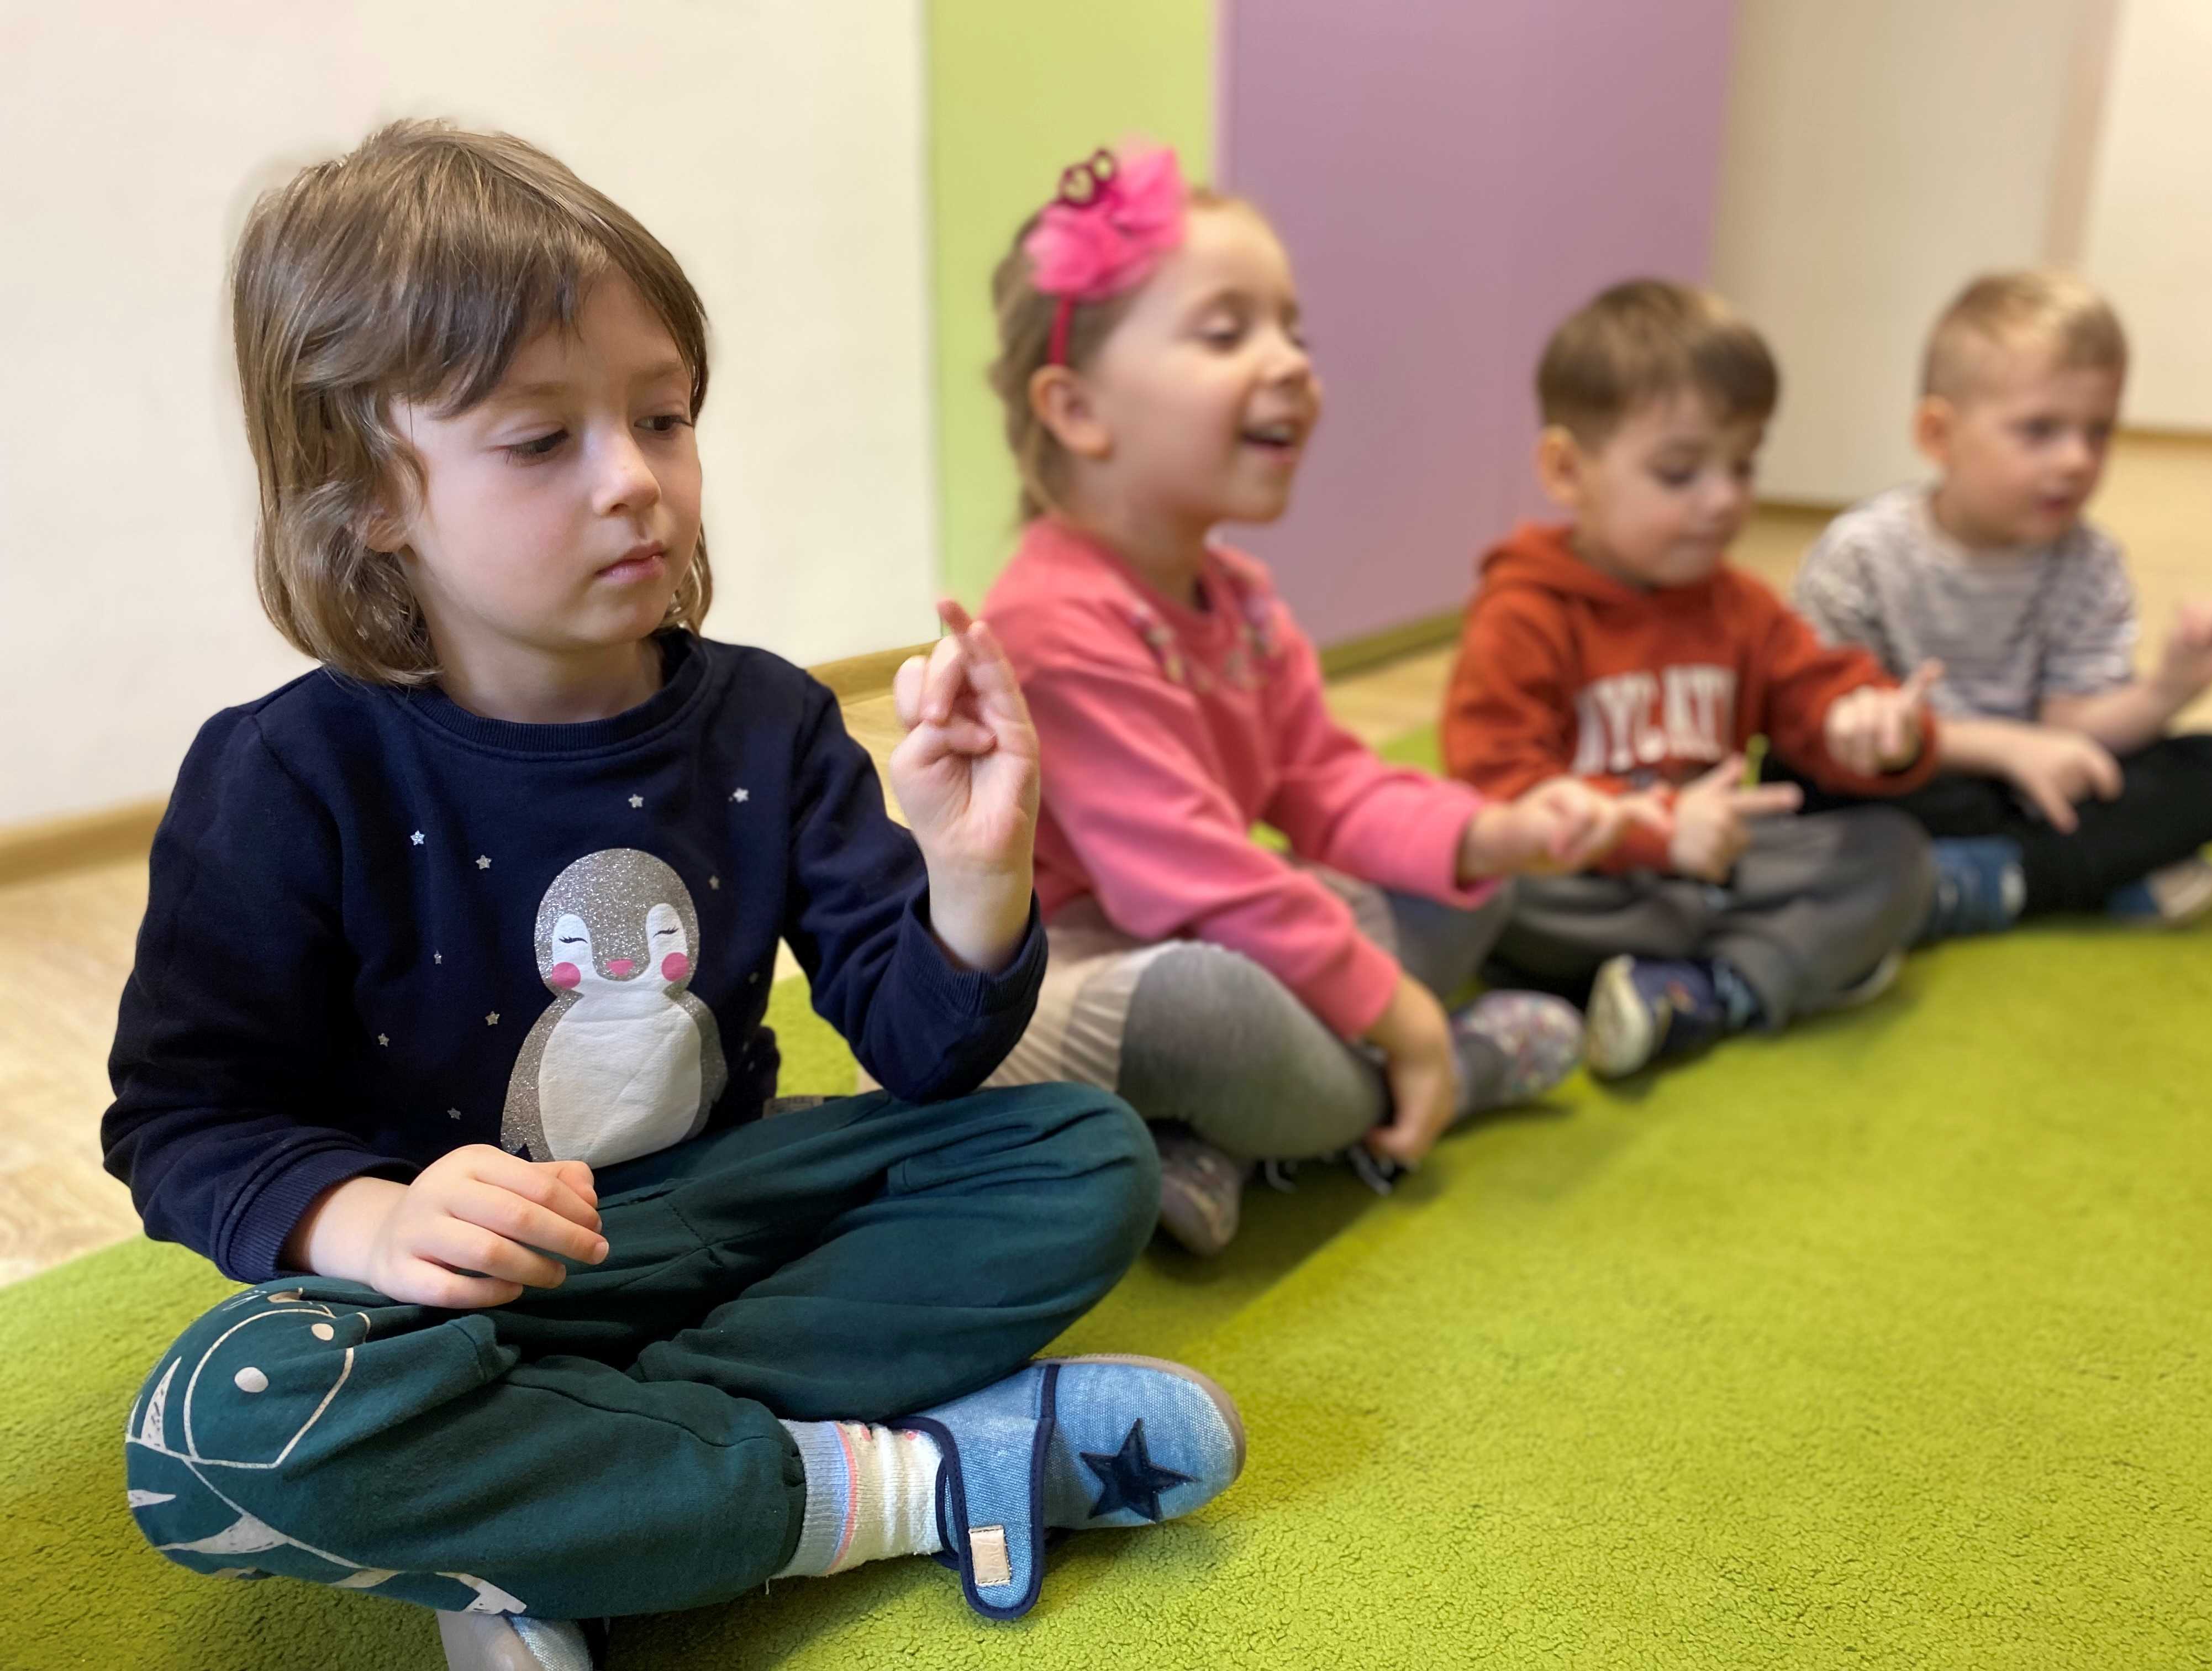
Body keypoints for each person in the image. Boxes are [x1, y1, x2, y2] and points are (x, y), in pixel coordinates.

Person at [102, 122, 1242, 1671]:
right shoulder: (286, 776)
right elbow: (183, 1119)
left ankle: (567, 1498)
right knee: (211, 1427)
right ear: (366, 493)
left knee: (1084, 1152)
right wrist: (369, 1220)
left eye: (664, 418)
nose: (634, 481)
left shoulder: (769, 723)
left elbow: (923, 1053)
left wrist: (976, 881)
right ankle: (890, 1482)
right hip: (471, 1305)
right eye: (540, 441)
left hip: (728, 1211)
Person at [976, 145, 1655, 1254]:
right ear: (1079, 409)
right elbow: (1192, 877)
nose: (1291, 363)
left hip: (1198, 926)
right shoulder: (1052, 624)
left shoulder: (1239, 596)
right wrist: (1408, 1018)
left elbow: (1327, 784)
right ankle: (1443, 1072)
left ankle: (1224, 1141)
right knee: (1213, 1009)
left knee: (1466, 887)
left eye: (1295, 332)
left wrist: (1490, 831)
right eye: (1226, 332)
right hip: (1082, 981)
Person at [1442, 280, 1939, 1080]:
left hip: (1710, 869)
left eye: (1743, 466)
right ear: (1567, 470)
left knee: (1895, 854)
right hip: (1582, 887)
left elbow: (1815, 691)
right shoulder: (1522, 613)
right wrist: (1655, 831)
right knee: (1479, 882)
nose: (1725, 500)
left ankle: (1701, 992)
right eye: (1680, 474)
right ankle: (1754, 963)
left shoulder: (1741, 605)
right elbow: (1496, 787)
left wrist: (1871, 725)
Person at [1790, 270, 2212, 938]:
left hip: (2036, 794)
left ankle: (1972, 882)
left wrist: (2170, 688)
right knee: (1803, 776)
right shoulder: (1861, 555)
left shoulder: (2090, 562)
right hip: (1917, 779)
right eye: (2040, 430)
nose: (2077, 460)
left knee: (2211, 766)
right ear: (1939, 434)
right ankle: (2063, 876)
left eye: (2098, 432)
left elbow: (2077, 727)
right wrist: (2000, 747)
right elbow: (1822, 720)